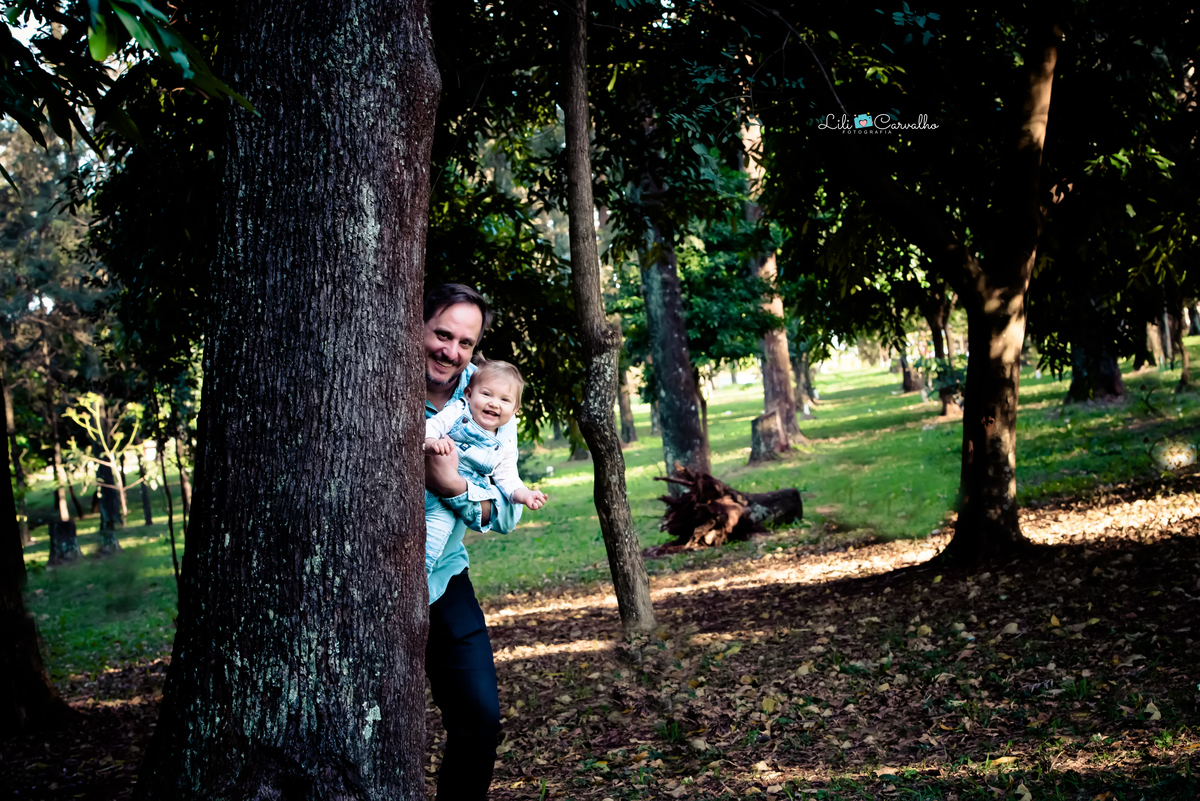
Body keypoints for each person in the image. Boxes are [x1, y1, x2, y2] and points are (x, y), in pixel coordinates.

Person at [422, 283, 518, 800]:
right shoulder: (375, 391)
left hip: (445, 579)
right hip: (370, 580)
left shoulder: (489, 401)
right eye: (441, 334)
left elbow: (504, 515)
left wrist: (454, 487)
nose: (450, 352)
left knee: (481, 721)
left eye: (464, 342)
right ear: (417, 327)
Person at [424, 359, 547, 574]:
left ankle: (413, 581)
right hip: (426, 486)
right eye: (487, 394)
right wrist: (433, 442)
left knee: (432, 545)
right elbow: (432, 426)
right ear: (469, 394)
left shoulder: (504, 442)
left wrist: (524, 495)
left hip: (452, 502)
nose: (494, 403)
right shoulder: (458, 411)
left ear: (515, 409)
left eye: (505, 399)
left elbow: (507, 477)